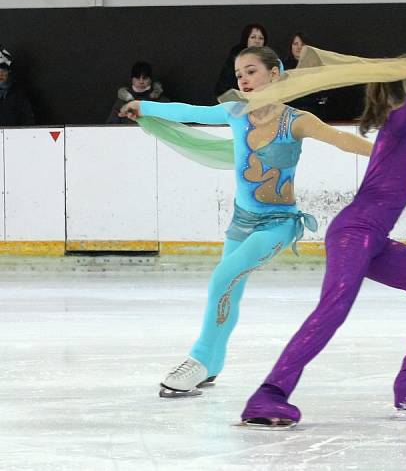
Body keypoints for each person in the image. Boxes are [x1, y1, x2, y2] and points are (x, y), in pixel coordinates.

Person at [119, 45, 376, 398]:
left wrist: (398, 154)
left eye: (251, 71)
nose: (243, 79)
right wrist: (144, 106)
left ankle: (200, 358)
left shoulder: (296, 120)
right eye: (239, 74)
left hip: (278, 224)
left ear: (275, 74)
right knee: (230, 290)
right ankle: (214, 361)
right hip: (241, 221)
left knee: (223, 276)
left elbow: (343, 140)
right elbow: (191, 111)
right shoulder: (236, 111)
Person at [240, 58, 406, 428]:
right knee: (335, 307)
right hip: (354, 233)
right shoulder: (397, 122)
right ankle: (269, 394)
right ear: (404, 93)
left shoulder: (401, 136)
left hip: (371, 239)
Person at [214, 23, 268, 98]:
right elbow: (224, 86)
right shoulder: (235, 58)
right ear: (246, 39)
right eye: (253, 37)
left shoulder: (268, 60)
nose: (257, 41)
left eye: (261, 38)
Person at [0, 46, 35, 126]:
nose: (0, 74)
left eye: (4, 70)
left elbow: (28, 121)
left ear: (9, 72)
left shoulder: (19, 95)